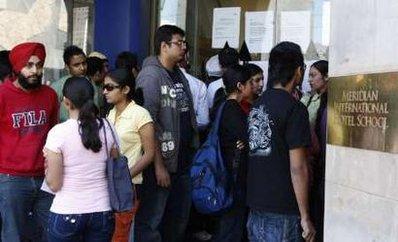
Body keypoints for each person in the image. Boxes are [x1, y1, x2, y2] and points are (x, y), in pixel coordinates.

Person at [246, 41, 316, 242]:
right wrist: (305, 217)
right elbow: (298, 167)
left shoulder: (257, 105)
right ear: (298, 71)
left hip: (255, 210)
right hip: (283, 214)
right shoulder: (295, 109)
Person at [134, 25, 198, 242]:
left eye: (184, 43)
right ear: (164, 46)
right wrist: (159, 165)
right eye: (178, 43)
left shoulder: (178, 74)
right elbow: (147, 123)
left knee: (178, 218)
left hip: (183, 161)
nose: (183, 48)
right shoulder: (150, 76)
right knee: (152, 220)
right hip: (161, 165)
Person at [44, 76, 115, 241]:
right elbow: (114, 168)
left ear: (66, 102)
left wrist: (47, 164)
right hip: (102, 211)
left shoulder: (58, 132)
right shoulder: (107, 127)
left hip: (67, 212)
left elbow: (54, 184)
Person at [0, 42, 59, 241]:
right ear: (17, 68)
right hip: (11, 178)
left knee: (50, 231)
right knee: (12, 234)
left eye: (39, 65)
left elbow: (54, 135)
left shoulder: (49, 95)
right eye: (29, 65)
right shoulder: (2, 95)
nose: (35, 70)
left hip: (45, 177)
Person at [103, 69, 156, 242]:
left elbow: (149, 154)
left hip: (130, 184)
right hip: (110, 184)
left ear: (125, 90)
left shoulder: (140, 114)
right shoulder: (110, 114)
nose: (104, 91)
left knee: (123, 234)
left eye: (110, 87)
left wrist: (125, 177)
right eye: (104, 87)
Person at [212, 64, 252, 242]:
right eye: (250, 82)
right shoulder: (233, 109)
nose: (253, 86)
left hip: (228, 173)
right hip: (233, 175)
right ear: (239, 86)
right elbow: (247, 138)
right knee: (232, 225)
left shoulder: (223, 105)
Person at [301, 60, 328, 242]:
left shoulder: (331, 101)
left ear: (326, 77)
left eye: (313, 75)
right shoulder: (307, 98)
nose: (309, 80)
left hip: (322, 163)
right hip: (308, 161)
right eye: (308, 75)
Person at [51, 45, 87, 122]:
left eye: (84, 63)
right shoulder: (58, 87)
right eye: (76, 65)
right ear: (67, 67)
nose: (82, 68)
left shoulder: (90, 84)